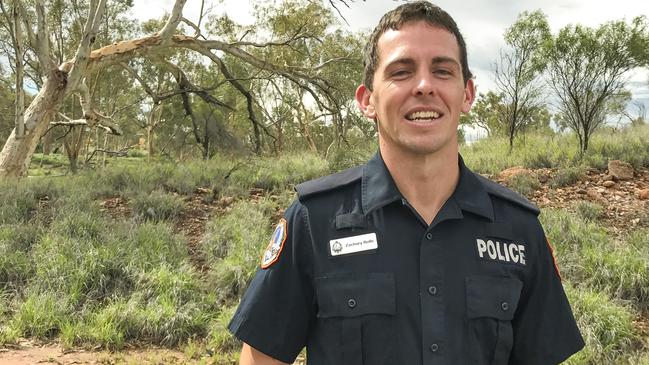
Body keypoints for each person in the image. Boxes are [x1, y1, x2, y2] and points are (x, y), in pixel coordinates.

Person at [228, 1, 584, 364]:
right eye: (401, 71)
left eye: (443, 71)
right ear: (367, 100)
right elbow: (261, 357)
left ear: (467, 95)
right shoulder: (314, 221)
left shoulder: (518, 229)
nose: (425, 86)